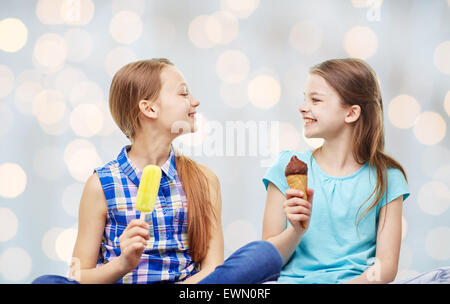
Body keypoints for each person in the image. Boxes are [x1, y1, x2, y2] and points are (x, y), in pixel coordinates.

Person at [33, 58, 282, 284]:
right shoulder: (101, 185)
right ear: (149, 109)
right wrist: (123, 264)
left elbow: (213, 269)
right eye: (183, 93)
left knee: (264, 255)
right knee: (46, 283)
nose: (194, 101)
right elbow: (78, 275)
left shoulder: (204, 179)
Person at [262, 58, 410, 284]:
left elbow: (386, 266)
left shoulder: (387, 178)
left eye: (316, 100)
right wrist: (295, 230)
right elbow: (266, 263)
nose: (303, 107)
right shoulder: (287, 168)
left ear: (351, 113)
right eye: (305, 98)